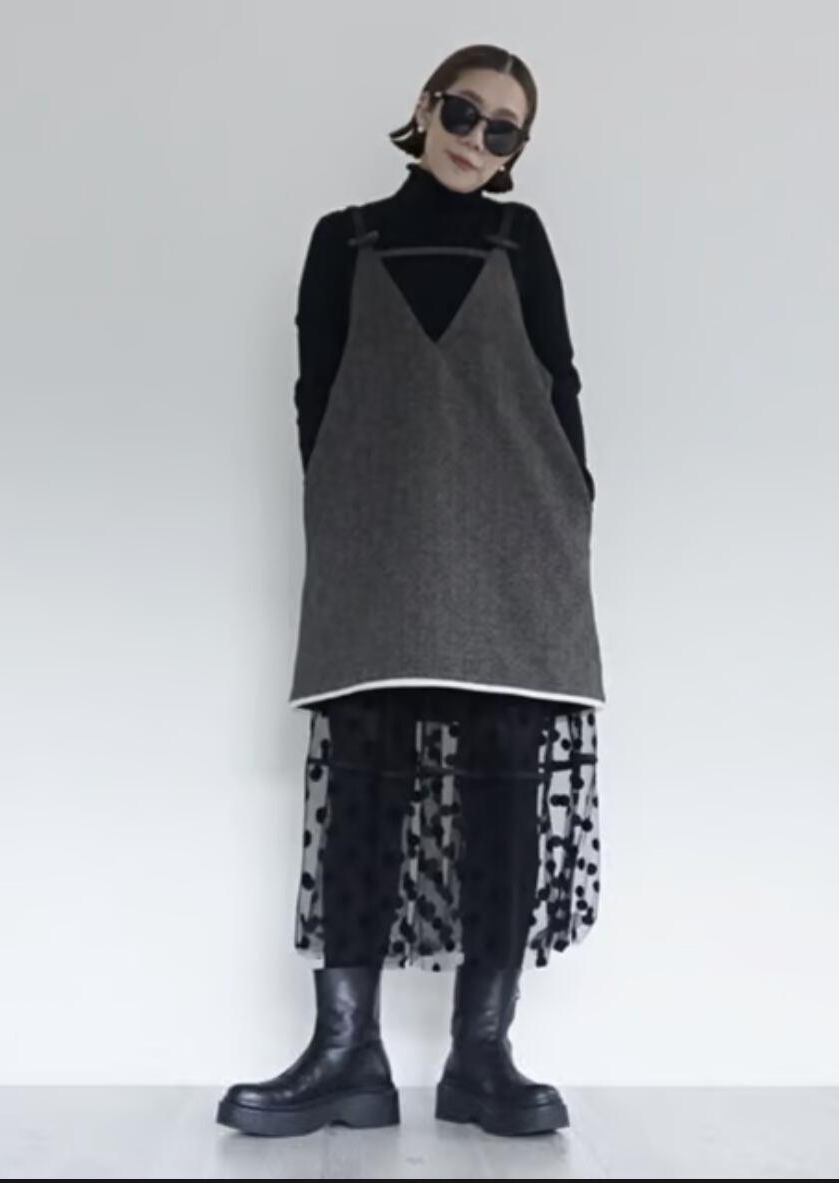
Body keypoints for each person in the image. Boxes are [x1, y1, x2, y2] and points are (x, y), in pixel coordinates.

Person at [218, 43, 606, 1139]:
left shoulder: (520, 239)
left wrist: (573, 504)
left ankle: (483, 1058)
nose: (477, 140)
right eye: (465, 113)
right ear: (426, 108)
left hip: (515, 545)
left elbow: (560, 385)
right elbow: (317, 398)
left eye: (504, 130)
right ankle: (348, 1056)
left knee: (503, 790)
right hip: (376, 543)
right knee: (363, 786)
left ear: (518, 149)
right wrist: (351, 514)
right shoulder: (341, 240)